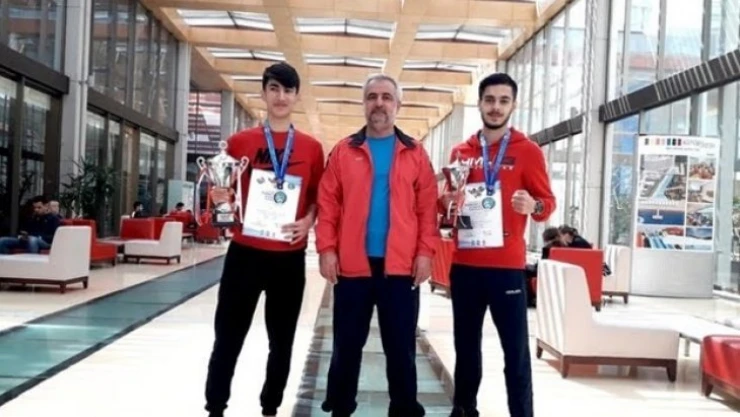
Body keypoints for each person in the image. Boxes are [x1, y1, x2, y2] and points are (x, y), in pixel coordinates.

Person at [203, 62, 325, 417]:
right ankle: (215, 407)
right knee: (227, 337)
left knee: (282, 342)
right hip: (245, 254)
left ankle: (270, 407)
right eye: (274, 89)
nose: (281, 97)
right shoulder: (240, 142)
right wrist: (219, 197)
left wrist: (308, 221)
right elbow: (223, 192)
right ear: (263, 93)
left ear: (297, 96)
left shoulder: (312, 148)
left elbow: (317, 198)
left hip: (289, 256)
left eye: (288, 90)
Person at [315, 74, 439, 417]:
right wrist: (326, 249)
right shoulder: (344, 151)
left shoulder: (415, 153)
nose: (379, 103)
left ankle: (404, 407)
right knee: (346, 345)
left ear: (398, 105)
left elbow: (427, 208)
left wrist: (425, 253)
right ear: (364, 103)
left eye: (386, 97)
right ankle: (341, 406)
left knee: (400, 347)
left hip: (400, 268)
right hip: (352, 265)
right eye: (372, 97)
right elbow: (328, 204)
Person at [439, 73, 556, 417]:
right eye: (489, 100)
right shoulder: (461, 152)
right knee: (466, 350)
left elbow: (547, 203)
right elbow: (448, 207)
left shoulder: (528, 152)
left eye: (503, 101)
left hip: (506, 270)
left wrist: (533, 205)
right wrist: (445, 201)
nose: (495, 107)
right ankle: (464, 410)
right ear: (479, 103)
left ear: (513, 105)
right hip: (465, 266)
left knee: (515, 353)